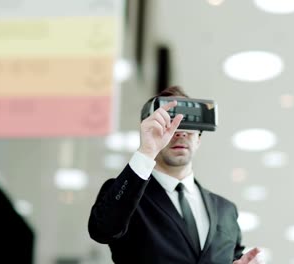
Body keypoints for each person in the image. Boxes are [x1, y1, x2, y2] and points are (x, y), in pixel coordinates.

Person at [88, 86, 262, 264]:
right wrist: (147, 150)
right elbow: (102, 230)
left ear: (199, 137)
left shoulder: (226, 210)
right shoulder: (127, 194)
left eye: (189, 124)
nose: (180, 132)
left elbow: (235, 257)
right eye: (169, 124)